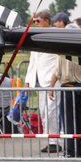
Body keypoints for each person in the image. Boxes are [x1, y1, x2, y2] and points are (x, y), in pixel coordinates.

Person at [23, 10, 60, 152]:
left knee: (52, 111)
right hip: (39, 80)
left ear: (47, 21)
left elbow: (58, 61)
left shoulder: (54, 36)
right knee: (44, 112)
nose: (35, 24)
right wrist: (27, 81)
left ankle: (55, 141)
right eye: (34, 22)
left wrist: (53, 82)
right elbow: (33, 61)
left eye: (38, 21)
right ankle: (50, 139)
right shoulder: (35, 37)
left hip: (51, 80)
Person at [53, 22, 81, 158]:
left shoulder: (62, 51)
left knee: (69, 121)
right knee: (79, 122)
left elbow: (56, 71)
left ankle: (69, 152)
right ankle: (79, 152)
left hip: (68, 88)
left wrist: (51, 88)